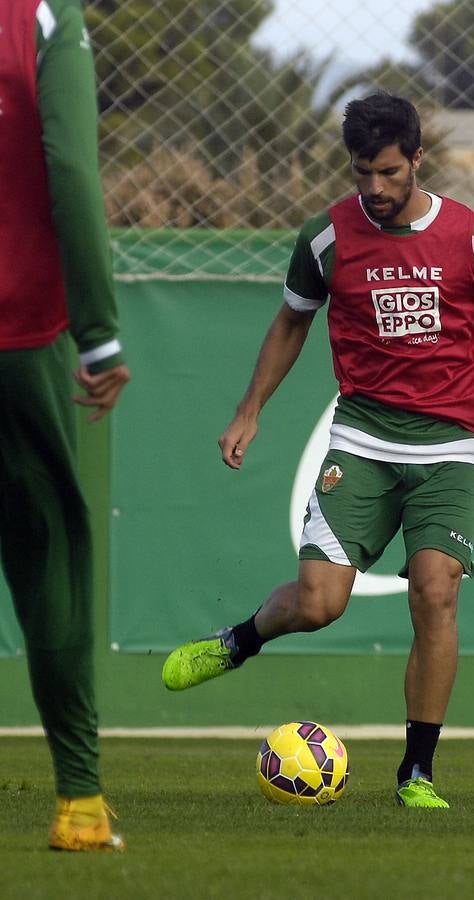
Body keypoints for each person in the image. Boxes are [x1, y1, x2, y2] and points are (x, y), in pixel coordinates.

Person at [161, 92, 474, 809]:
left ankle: (417, 773)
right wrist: (250, 412)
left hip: (453, 447)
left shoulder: (471, 236)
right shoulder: (326, 237)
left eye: (390, 172)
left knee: (436, 593)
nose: (375, 189)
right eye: (362, 172)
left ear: (418, 160)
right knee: (318, 603)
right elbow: (289, 324)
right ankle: (240, 640)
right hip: (362, 440)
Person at [0, 0, 132, 852]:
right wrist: (100, 330)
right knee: (51, 553)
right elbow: (72, 170)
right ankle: (79, 802)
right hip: (22, 334)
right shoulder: (41, 17)